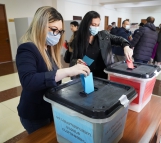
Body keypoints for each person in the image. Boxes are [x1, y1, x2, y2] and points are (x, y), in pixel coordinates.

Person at [16, 6, 90, 134]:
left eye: (60, 31)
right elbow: (29, 81)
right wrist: (67, 71)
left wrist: (74, 67)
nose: (56, 35)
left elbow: (52, 73)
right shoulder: (27, 48)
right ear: (39, 26)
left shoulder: (49, 49)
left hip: (49, 107)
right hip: (34, 112)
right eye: (53, 30)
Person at [71, 11, 133, 79]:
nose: (95, 27)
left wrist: (126, 47)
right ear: (86, 24)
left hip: (104, 74)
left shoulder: (104, 35)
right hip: (87, 76)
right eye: (93, 25)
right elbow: (72, 60)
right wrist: (76, 61)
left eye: (98, 25)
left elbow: (120, 39)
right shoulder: (78, 40)